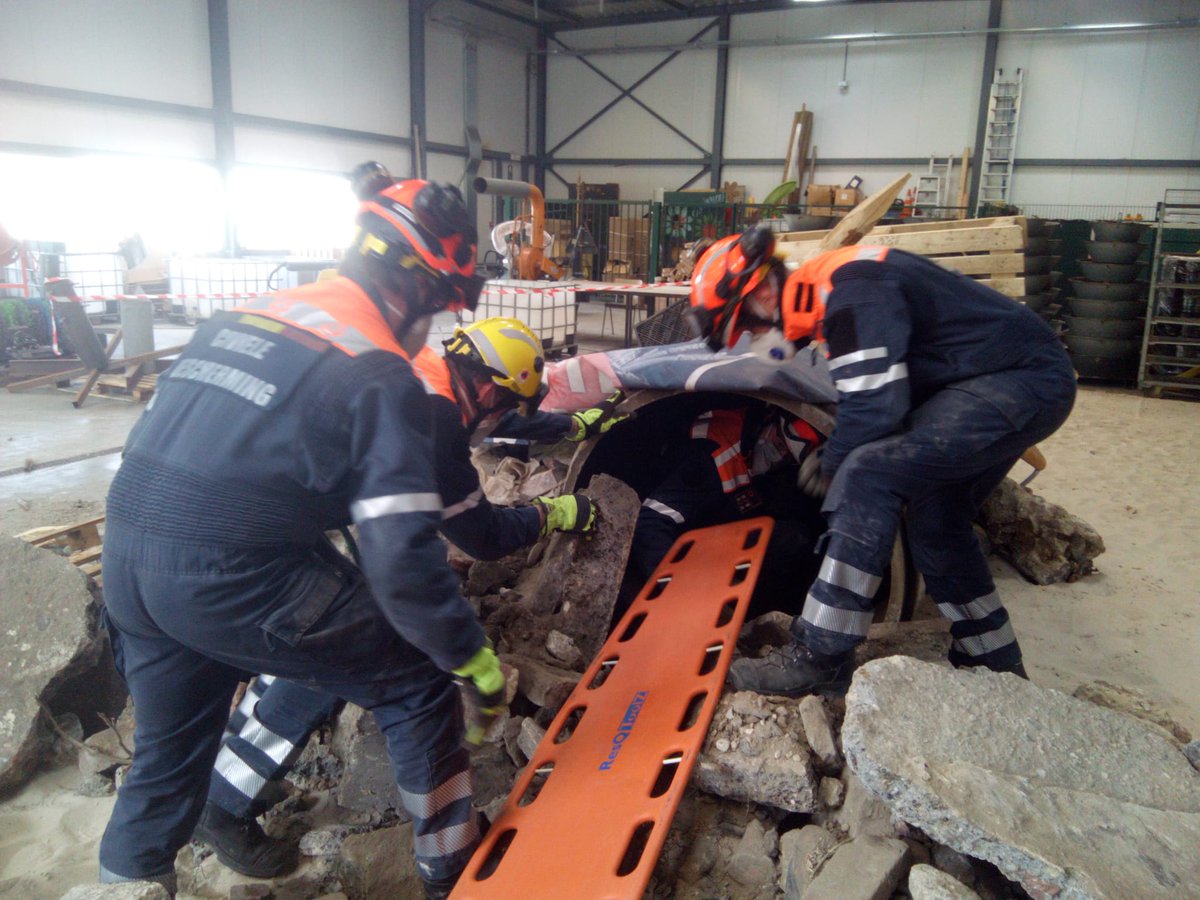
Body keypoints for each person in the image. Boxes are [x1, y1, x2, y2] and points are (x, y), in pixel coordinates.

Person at [99, 173, 498, 898]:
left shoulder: (245, 317)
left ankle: (127, 882)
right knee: (415, 677)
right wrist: (468, 655)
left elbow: (224, 460)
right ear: (415, 286)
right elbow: (402, 562)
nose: (431, 330)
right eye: (441, 307)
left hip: (128, 552)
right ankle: (457, 872)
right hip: (228, 570)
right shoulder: (378, 370)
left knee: (164, 759)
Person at [194, 317, 625, 878]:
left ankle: (222, 791)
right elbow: (483, 536)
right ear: (489, 388)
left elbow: (494, 425)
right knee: (405, 680)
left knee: (311, 651)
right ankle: (451, 865)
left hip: (252, 518)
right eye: (507, 405)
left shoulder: (428, 373)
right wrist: (554, 513)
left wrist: (570, 425)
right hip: (263, 547)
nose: (504, 419)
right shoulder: (437, 418)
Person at [688, 227, 1076, 696]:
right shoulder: (830, 298)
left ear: (764, 289)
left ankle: (821, 656)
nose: (752, 337)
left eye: (747, 324)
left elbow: (876, 406)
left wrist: (833, 461)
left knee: (867, 471)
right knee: (937, 520)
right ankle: (993, 661)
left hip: (1018, 380)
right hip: (1003, 380)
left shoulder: (851, 290)